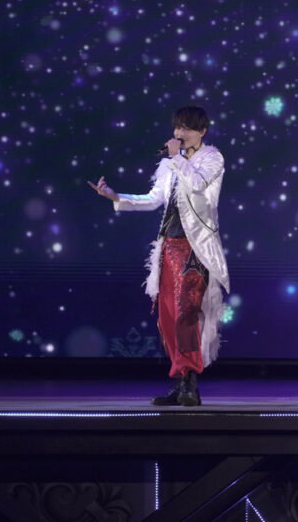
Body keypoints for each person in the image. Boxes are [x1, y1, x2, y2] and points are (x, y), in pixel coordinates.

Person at [88, 106, 229, 406]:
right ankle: (180, 382)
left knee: (186, 313)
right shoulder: (169, 165)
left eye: (186, 128)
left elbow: (197, 185)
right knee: (167, 317)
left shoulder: (212, 158)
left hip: (195, 248)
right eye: (177, 127)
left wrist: (177, 158)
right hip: (169, 247)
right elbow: (154, 200)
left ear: (202, 131)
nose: (179, 133)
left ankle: (191, 383)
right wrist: (116, 197)